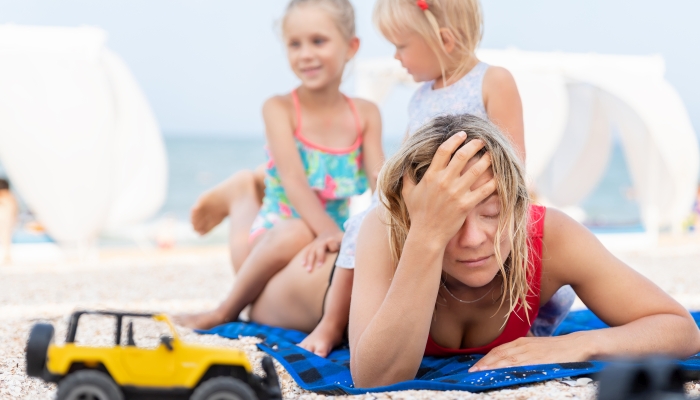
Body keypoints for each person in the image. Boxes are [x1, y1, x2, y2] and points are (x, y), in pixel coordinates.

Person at [299, 0, 573, 357]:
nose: (397, 57)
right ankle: (332, 323)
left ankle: (518, 323)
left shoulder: (493, 80)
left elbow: (513, 158)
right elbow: (409, 154)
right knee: (363, 223)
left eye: (401, 45)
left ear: (443, 40)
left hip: (476, 198)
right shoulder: (419, 97)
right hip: (426, 202)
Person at [348, 114, 700, 388]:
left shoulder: (549, 234)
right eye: (451, 220)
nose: (473, 239)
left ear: (519, 205)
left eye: (492, 213)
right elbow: (374, 379)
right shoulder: (387, 231)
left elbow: (679, 329)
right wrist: (425, 236)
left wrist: (572, 346)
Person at [176, 0, 384, 329]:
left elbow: (380, 187)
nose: (305, 54)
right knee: (296, 231)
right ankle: (226, 307)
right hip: (275, 233)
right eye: (294, 44)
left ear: (351, 46)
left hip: (326, 238)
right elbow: (294, 181)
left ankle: (247, 185)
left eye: (318, 41)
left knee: (318, 249)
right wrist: (332, 233)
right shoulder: (280, 108)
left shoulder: (366, 114)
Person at [0, 178, 18, 265]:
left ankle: (7, 256)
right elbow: (15, 210)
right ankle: (7, 256)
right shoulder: (11, 197)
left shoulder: (5, 196)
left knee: (5, 238)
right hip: (8, 221)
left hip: (5, 221)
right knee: (6, 238)